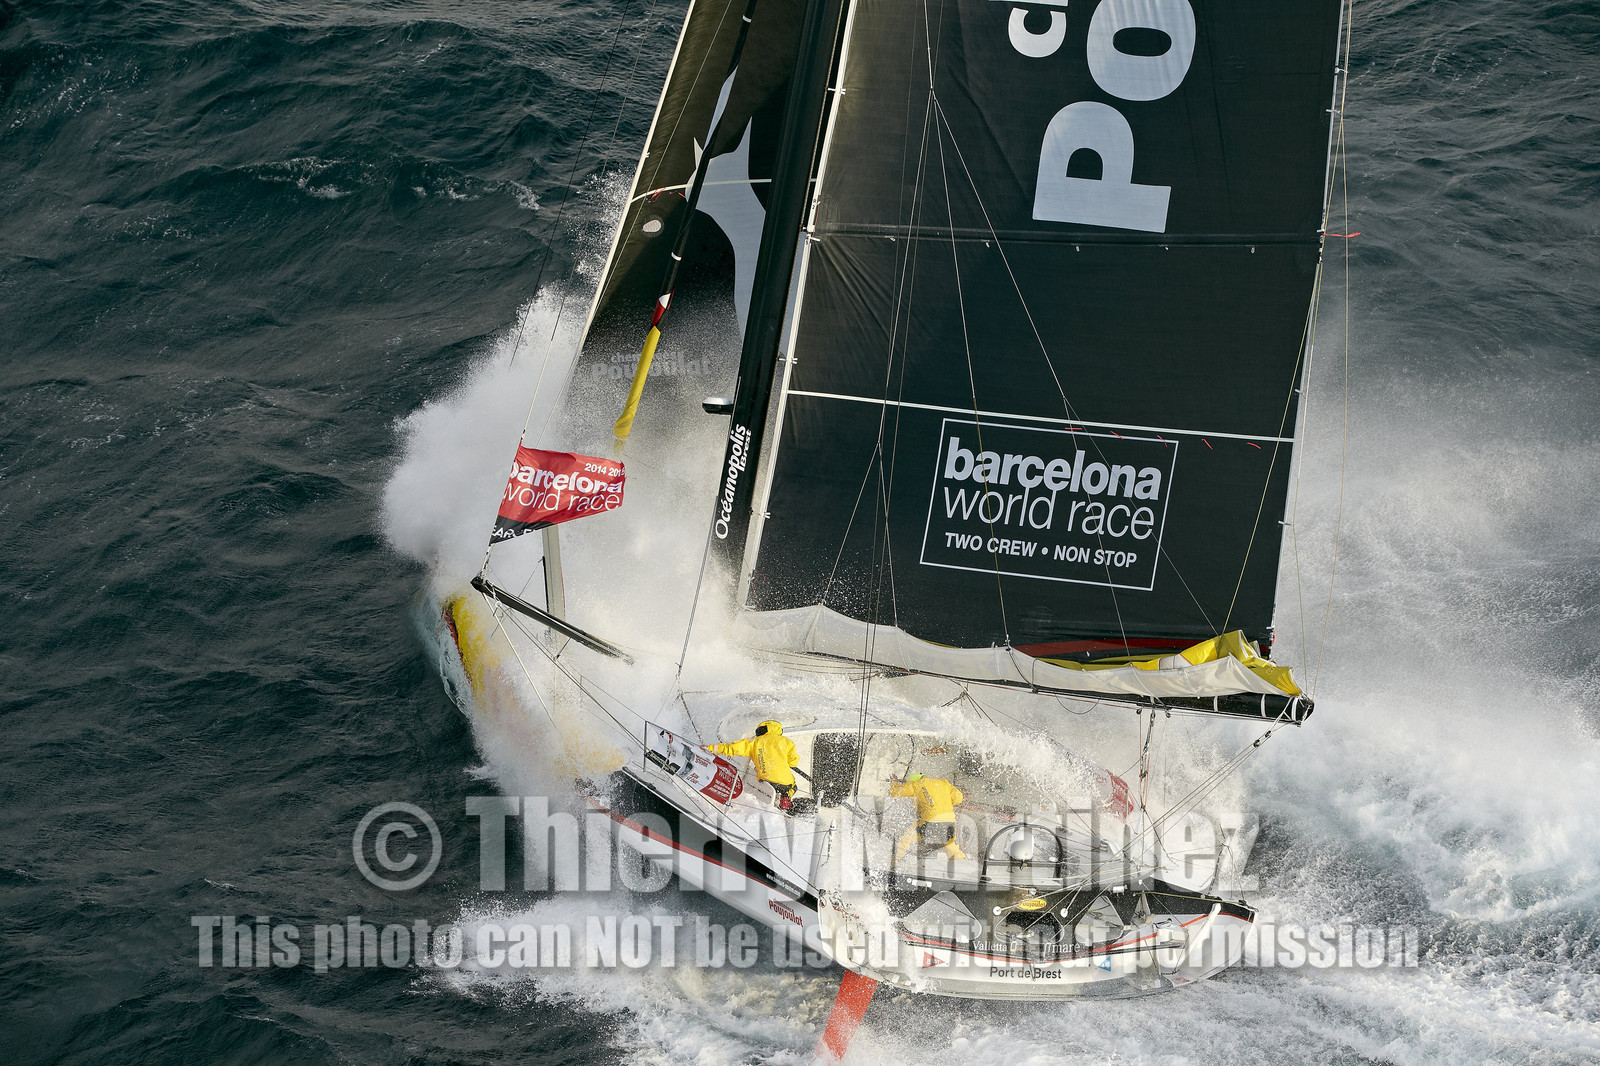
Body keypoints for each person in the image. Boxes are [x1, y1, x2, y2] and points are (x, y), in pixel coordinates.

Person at [709, 721, 800, 812]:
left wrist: (711, 748)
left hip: (766, 778)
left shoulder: (754, 742)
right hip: (786, 782)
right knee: (793, 786)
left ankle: (780, 797)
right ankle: (785, 798)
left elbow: (732, 748)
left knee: (759, 771)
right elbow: (793, 763)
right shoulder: (787, 742)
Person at [890, 772, 967, 861]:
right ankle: (960, 861)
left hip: (929, 821)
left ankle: (895, 858)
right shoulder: (944, 783)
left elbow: (895, 793)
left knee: (907, 838)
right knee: (949, 844)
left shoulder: (917, 784)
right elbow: (958, 798)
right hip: (949, 822)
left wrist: (894, 783)